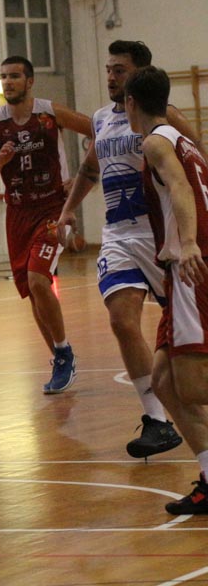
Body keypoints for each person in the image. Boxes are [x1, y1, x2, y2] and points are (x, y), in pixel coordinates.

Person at [58, 41, 197, 457]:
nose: (111, 77)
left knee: (190, 333)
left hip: (161, 236)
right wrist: (68, 211)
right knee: (121, 320)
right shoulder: (101, 119)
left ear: (139, 74)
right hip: (118, 235)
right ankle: (156, 420)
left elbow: (194, 166)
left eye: (119, 70)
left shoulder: (166, 118)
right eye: (108, 69)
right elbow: (89, 169)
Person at [0, 56, 93, 394]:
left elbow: (98, 131)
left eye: (14, 76)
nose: (7, 82)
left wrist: (82, 178)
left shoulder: (49, 113)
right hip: (17, 214)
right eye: (3, 77)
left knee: (38, 280)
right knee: (33, 292)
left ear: (29, 81)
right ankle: (59, 356)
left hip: (52, 209)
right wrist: (0, 162)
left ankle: (64, 353)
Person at [122, 66, 208, 514]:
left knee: (191, 386)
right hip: (181, 272)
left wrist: (189, 242)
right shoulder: (185, 140)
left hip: (191, 267)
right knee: (163, 382)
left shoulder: (157, 142)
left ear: (131, 103)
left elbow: (180, 188)